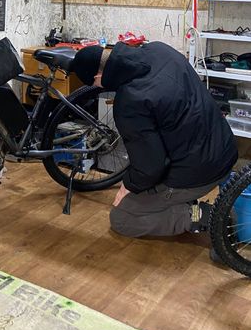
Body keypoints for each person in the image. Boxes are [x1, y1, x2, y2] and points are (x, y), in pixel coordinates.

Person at [71, 41, 238, 238]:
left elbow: (151, 167)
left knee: (122, 218)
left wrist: (128, 185)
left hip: (199, 172)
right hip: (224, 147)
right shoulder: (159, 49)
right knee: (144, 192)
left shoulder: (130, 101)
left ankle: (203, 216)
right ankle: (182, 203)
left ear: (98, 77)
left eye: (94, 84)